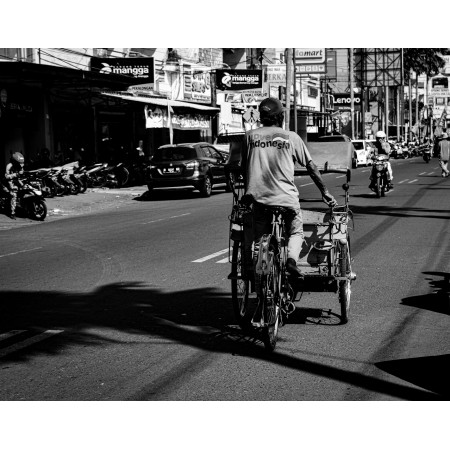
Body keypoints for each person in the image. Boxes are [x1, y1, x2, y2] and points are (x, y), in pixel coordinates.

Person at [240, 97, 337, 278]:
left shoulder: (249, 137)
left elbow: (244, 168)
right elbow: (311, 167)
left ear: (261, 116)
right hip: (286, 199)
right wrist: (325, 191)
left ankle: (258, 265)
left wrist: (248, 192)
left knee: (260, 235)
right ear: (281, 117)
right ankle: (291, 260)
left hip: (259, 199)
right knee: (295, 231)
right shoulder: (291, 137)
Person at [3, 152, 25, 219]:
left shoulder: (20, 165)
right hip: (10, 181)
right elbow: (6, 176)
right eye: (19, 163)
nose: (21, 164)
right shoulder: (9, 166)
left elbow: (22, 172)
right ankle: (12, 213)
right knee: (14, 194)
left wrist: (22, 173)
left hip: (18, 180)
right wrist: (15, 175)